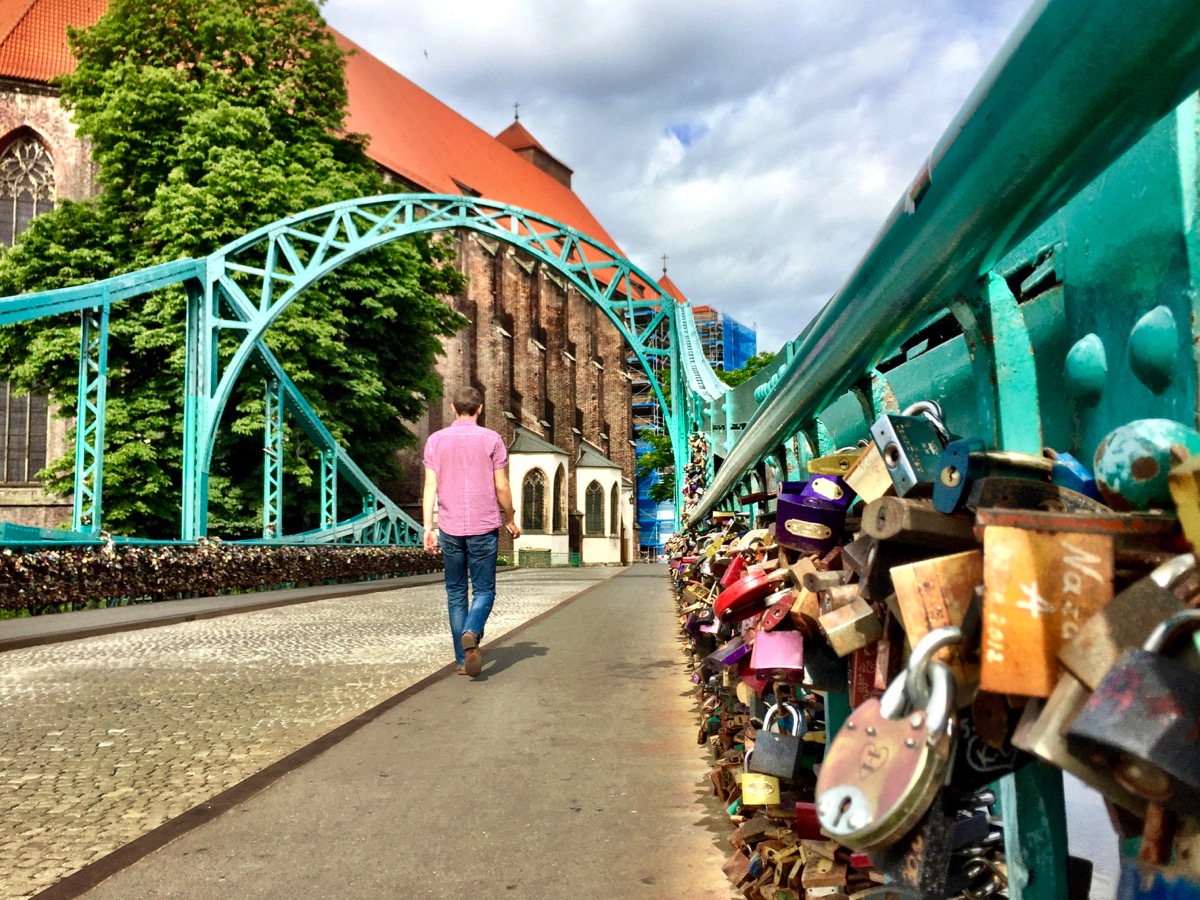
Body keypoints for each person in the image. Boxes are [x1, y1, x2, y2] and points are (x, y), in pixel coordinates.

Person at [422, 387, 521, 677]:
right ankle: (472, 630)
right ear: (480, 410)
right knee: (484, 590)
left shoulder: (435, 440)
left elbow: (430, 486)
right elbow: (501, 486)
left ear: (453, 409)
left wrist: (428, 526)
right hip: (483, 527)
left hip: (450, 528)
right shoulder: (492, 439)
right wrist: (511, 518)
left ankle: (464, 661)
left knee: (455, 592)